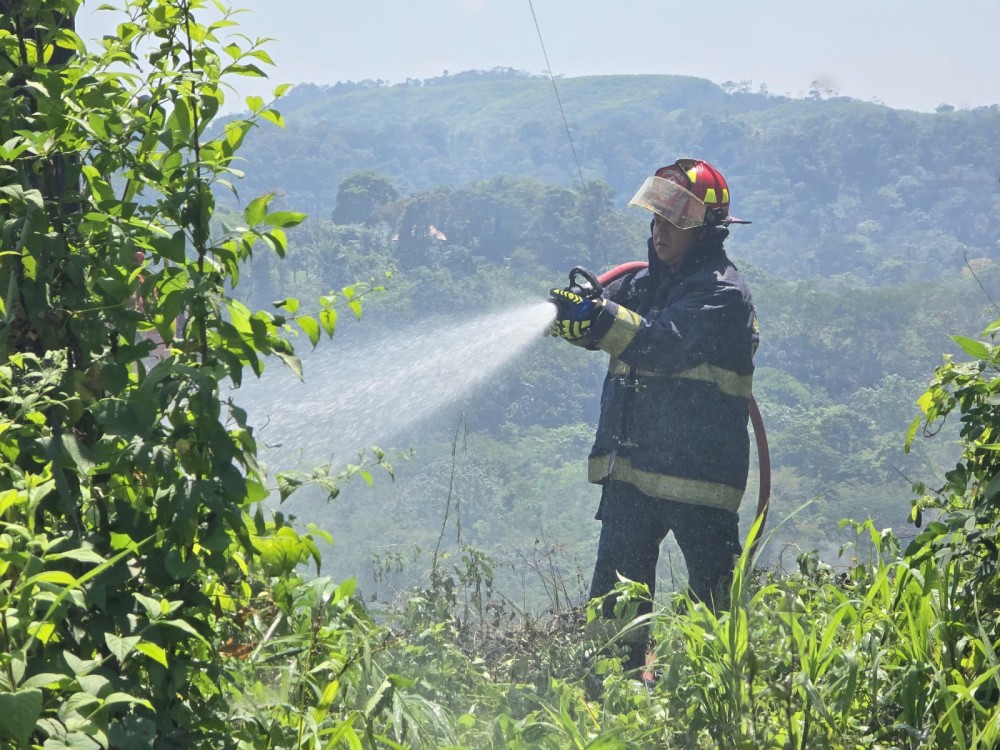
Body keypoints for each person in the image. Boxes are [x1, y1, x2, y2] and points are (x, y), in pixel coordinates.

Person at [549, 158, 759, 671]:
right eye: (657, 217)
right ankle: (608, 693)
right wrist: (569, 316)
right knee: (613, 610)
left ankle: (713, 697)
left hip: (699, 482)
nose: (660, 230)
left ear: (706, 230)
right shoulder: (642, 284)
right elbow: (603, 323)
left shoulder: (722, 294)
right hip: (632, 476)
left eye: (675, 221)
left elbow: (661, 344)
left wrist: (599, 318)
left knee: (713, 610)